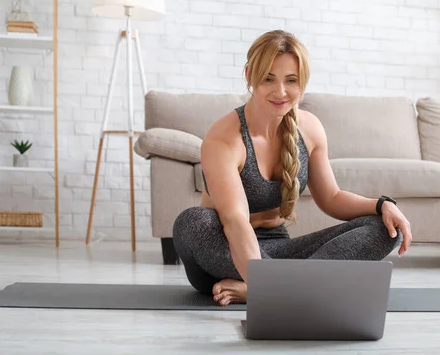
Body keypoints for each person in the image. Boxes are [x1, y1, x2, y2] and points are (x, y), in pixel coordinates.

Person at [172, 30, 413, 306]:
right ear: (249, 74)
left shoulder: (309, 128)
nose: (281, 92)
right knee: (192, 221)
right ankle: (292, 286)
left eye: (291, 80)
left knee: (385, 228)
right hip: (223, 252)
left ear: (303, 82)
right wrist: (258, 274)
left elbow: (332, 198)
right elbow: (235, 221)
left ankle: (272, 289)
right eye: (268, 78)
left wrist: (383, 206)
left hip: (282, 252)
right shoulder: (224, 138)